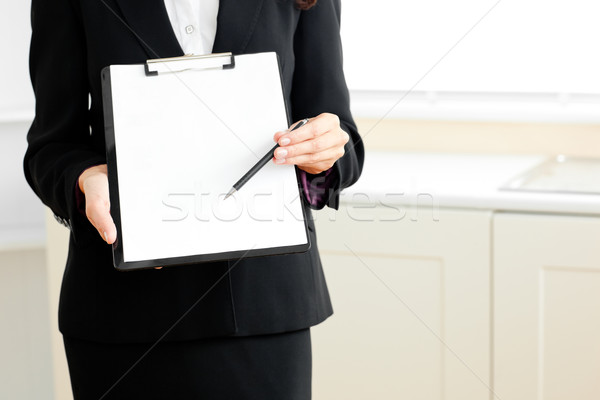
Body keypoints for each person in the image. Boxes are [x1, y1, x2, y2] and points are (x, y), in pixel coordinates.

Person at [24, 0, 364, 398]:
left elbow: (343, 143)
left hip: (263, 311)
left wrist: (322, 149)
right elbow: (50, 148)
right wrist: (86, 180)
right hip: (121, 313)